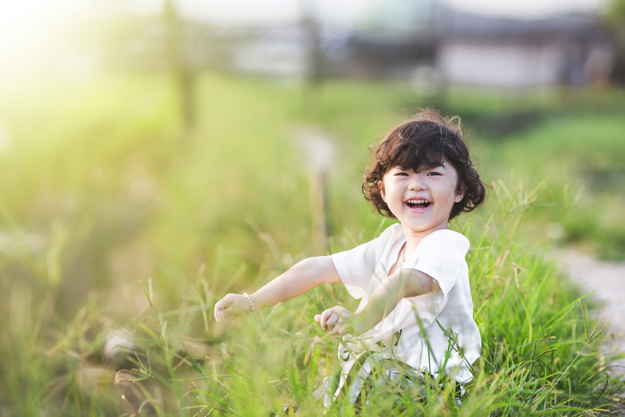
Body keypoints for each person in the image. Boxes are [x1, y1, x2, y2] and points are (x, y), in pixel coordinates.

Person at [214, 109, 486, 409]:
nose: (417, 184)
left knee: (366, 365)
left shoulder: (445, 245)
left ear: (459, 189)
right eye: (403, 174)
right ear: (383, 189)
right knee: (335, 380)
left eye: (433, 173)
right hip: (390, 375)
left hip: (439, 387)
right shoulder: (391, 243)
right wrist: (251, 301)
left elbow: (404, 282)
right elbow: (318, 267)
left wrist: (360, 321)